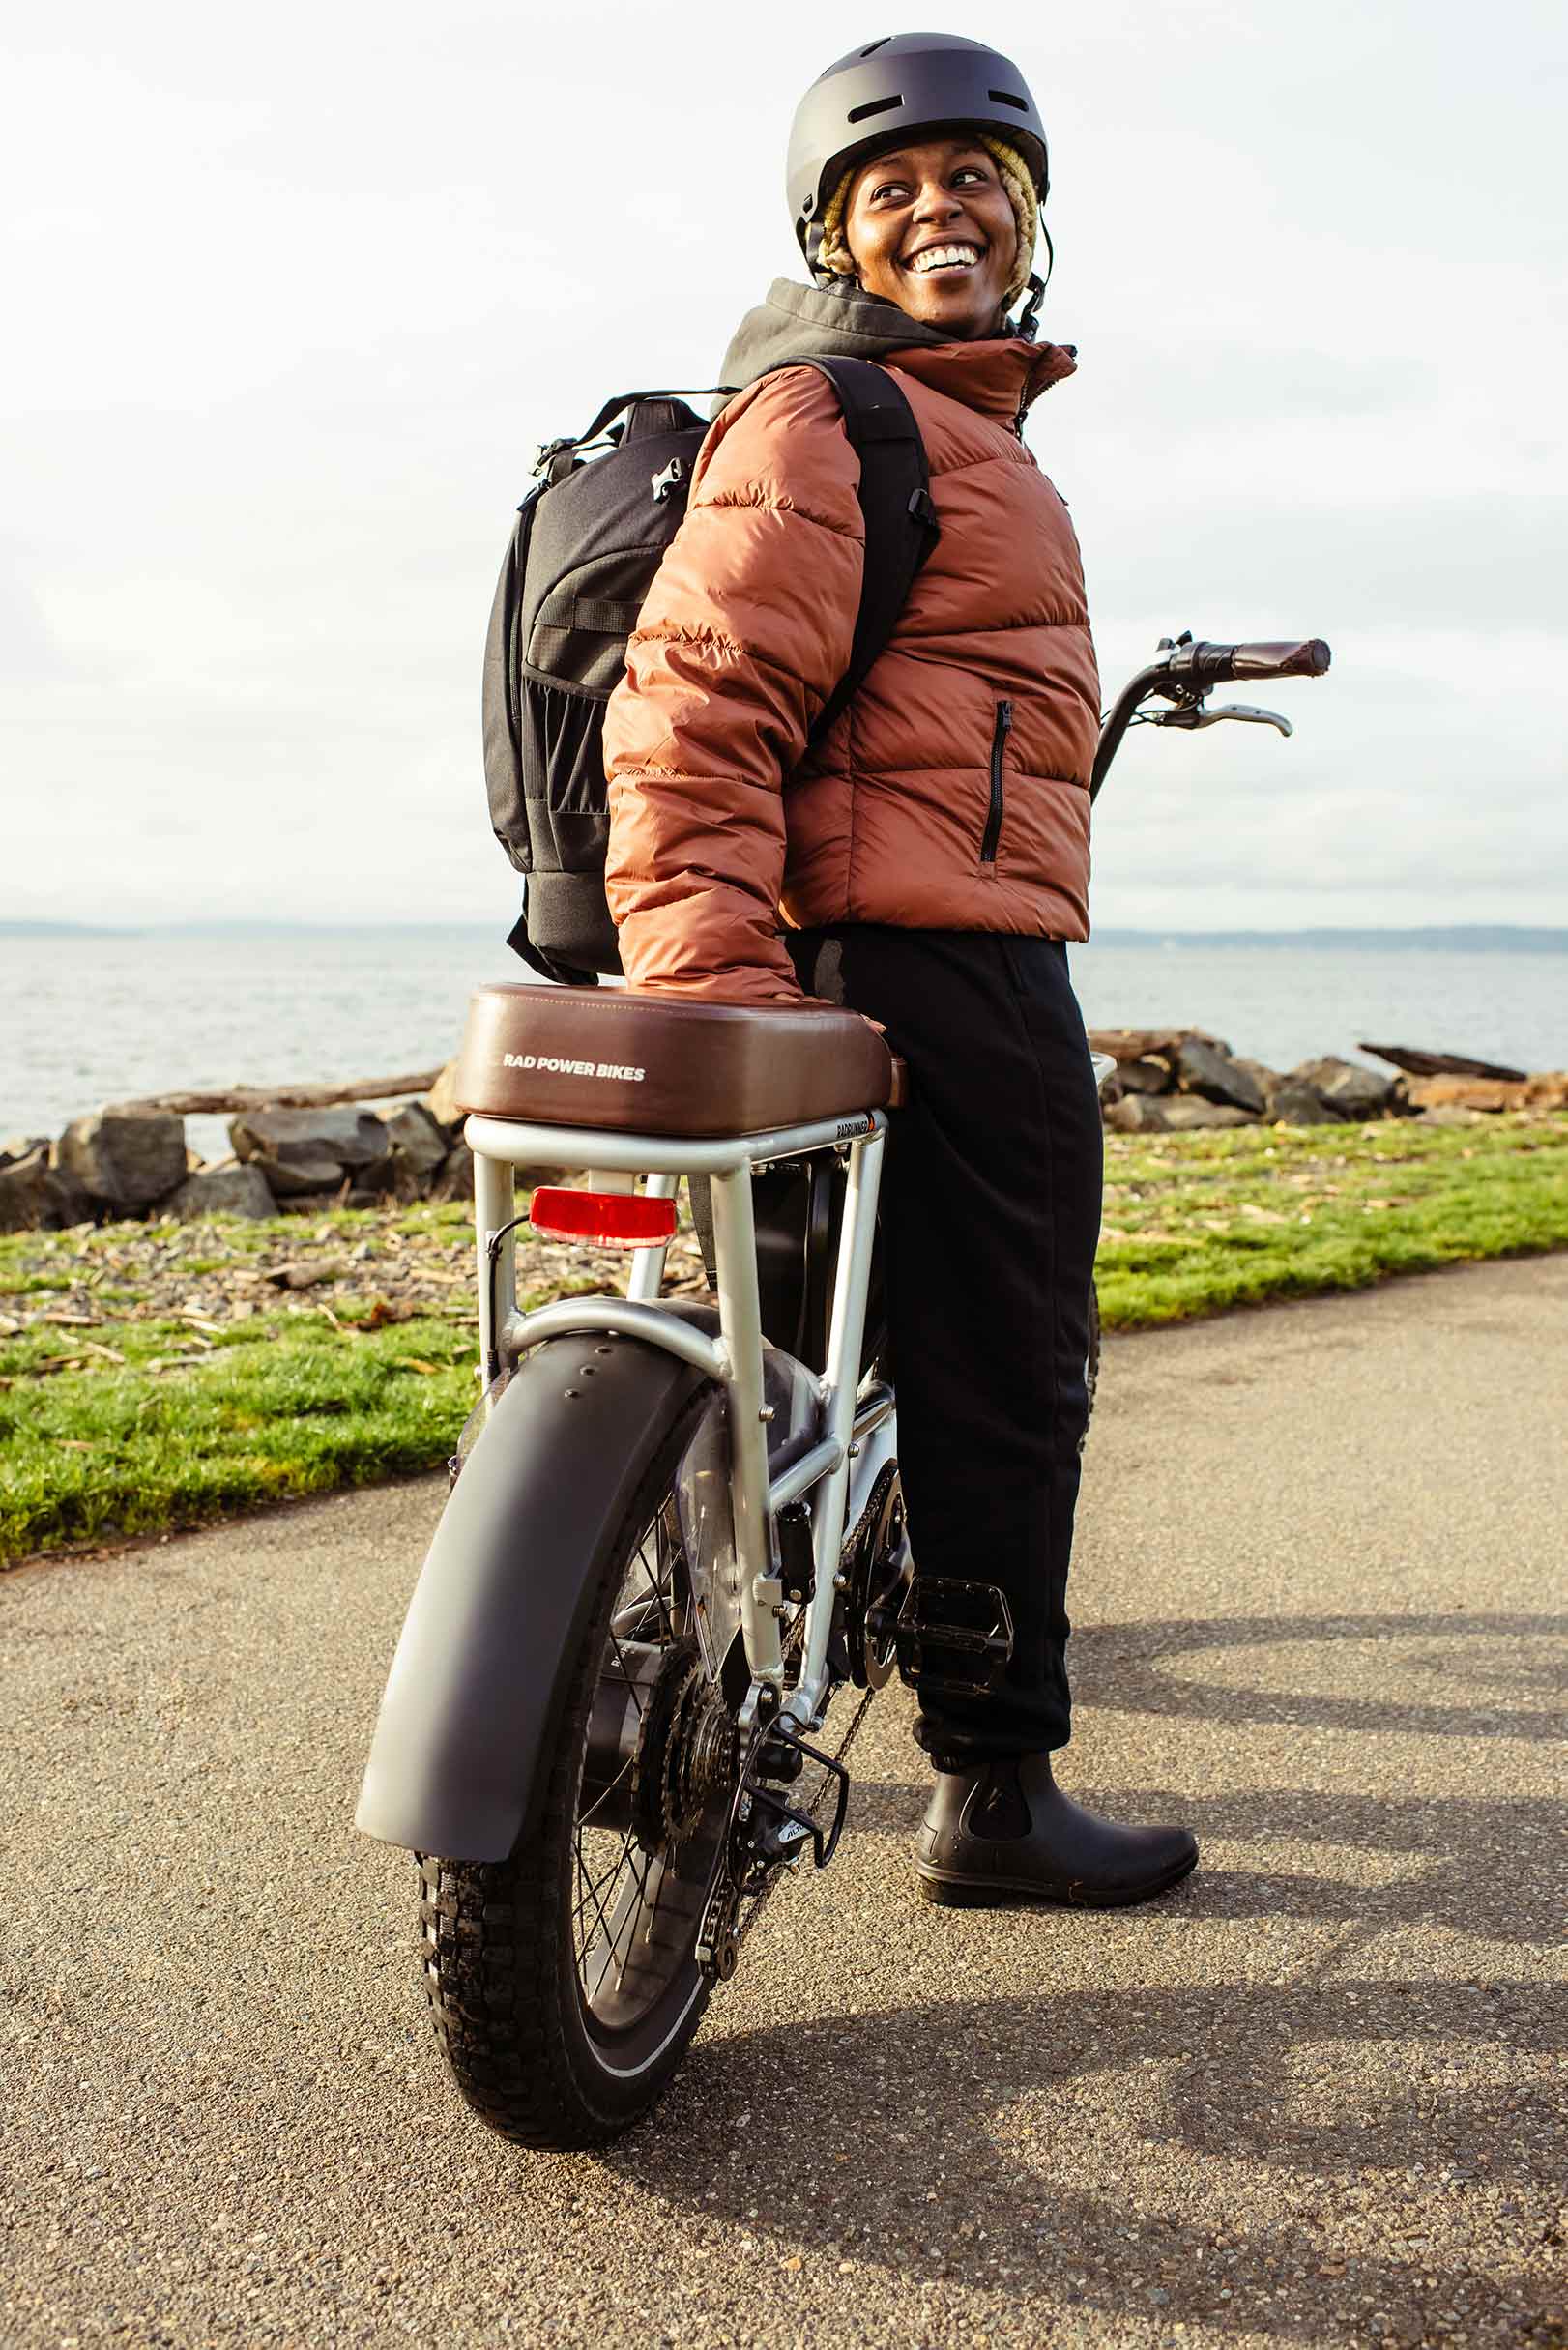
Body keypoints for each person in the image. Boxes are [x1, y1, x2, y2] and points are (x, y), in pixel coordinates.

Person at [602, 33, 1197, 1908]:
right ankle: (998, 1797)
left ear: (1027, 225)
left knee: (854, 1360)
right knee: (1012, 1365)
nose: (943, 210)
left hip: (892, 949)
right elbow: (693, 711)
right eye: (896, 190)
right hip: (935, 968)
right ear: (838, 238)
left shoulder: (941, 426)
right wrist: (715, 993)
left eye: (977, 182)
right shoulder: (840, 419)